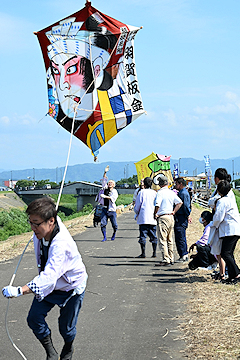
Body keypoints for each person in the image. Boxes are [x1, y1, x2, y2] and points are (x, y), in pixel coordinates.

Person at [2, 197, 88, 360]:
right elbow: (48, 280)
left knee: (66, 328)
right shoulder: (45, 227)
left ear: (51, 221)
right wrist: (49, 202)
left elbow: (49, 276)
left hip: (71, 287)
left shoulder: (60, 244)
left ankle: (68, 346)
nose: (33, 228)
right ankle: (51, 352)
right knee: (34, 318)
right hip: (51, 287)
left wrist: (20, 290)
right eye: (31, 223)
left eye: (36, 223)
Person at [211, 180, 240, 284]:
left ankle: (237, 274)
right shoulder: (230, 200)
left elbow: (218, 217)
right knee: (229, 254)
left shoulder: (222, 201)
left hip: (229, 230)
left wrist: (213, 224)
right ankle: (232, 276)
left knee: (225, 253)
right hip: (234, 229)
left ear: (218, 190)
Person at [208, 168, 232, 280]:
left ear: (217, 178)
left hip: (224, 225)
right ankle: (224, 272)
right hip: (223, 225)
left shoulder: (224, 193)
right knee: (222, 252)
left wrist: (214, 224)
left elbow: (212, 202)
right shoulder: (225, 190)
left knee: (224, 252)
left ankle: (225, 273)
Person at [154, 174, 183, 266]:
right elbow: (179, 202)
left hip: (163, 216)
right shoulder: (171, 192)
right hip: (170, 216)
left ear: (160, 184)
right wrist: (174, 211)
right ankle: (171, 257)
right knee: (170, 239)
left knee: (162, 238)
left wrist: (155, 213)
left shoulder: (160, 193)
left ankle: (166, 259)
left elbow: (157, 205)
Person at [134, 177, 158, 258]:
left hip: (143, 217)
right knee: (153, 236)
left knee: (143, 236)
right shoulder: (154, 193)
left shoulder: (141, 192)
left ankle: (143, 253)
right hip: (152, 217)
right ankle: (154, 252)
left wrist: (136, 212)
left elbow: (138, 205)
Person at [174, 177, 192, 262]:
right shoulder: (182, 192)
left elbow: (186, 206)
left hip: (181, 218)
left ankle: (183, 255)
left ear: (180, 184)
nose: (175, 185)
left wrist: (187, 215)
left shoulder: (183, 193)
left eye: (176, 183)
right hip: (181, 217)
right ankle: (183, 254)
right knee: (180, 236)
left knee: (180, 236)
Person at [99, 166, 118, 242]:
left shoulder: (115, 191)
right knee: (103, 223)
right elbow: (104, 181)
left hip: (112, 210)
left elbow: (113, 198)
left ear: (113, 185)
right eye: (109, 182)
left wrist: (105, 196)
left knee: (114, 225)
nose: (110, 183)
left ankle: (114, 233)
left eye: (111, 183)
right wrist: (105, 172)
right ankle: (104, 237)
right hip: (104, 208)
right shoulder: (105, 189)